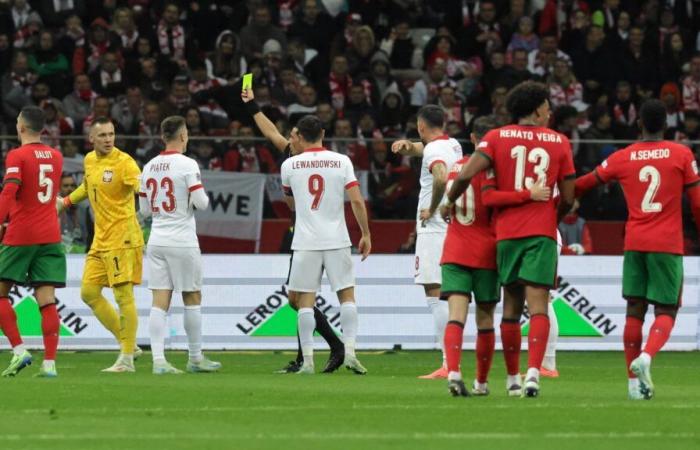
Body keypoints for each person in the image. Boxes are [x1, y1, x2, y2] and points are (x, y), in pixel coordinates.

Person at [444, 81, 576, 397]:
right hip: (540, 232)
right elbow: (569, 196)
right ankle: (532, 374)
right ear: (536, 109)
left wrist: (449, 202)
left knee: (511, 309)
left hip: (506, 236)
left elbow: (464, 175)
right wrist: (551, 215)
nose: (550, 111)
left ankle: (509, 378)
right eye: (547, 105)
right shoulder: (558, 141)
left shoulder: (496, 137)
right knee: (539, 305)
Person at [574, 99, 700, 400]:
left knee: (635, 310)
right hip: (667, 244)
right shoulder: (682, 153)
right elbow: (696, 202)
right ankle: (646, 357)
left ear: (639, 124)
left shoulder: (623, 156)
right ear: (667, 124)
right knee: (666, 309)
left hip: (634, 242)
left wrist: (556, 192)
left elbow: (584, 184)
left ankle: (633, 385)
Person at [242, 88, 345, 374]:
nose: (289, 140)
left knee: (301, 298)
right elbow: (271, 131)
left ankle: (322, 353)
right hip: (302, 233)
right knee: (296, 299)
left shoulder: (320, 161)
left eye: (294, 135)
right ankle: (325, 350)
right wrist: (252, 106)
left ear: (304, 137)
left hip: (316, 236)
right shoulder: (293, 155)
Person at [280, 115, 371, 375]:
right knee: (347, 296)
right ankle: (351, 353)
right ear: (322, 132)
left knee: (304, 302)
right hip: (337, 239)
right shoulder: (342, 161)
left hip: (306, 241)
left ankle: (307, 361)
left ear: (300, 136)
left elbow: (291, 204)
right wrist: (365, 233)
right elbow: (355, 201)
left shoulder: (290, 165)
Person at [57, 118, 144, 373]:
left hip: (123, 238)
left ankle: (126, 358)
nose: (108, 139)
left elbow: (143, 188)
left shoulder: (125, 162)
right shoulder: (89, 160)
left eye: (112, 134)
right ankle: (130, 345)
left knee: (123, 296)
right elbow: (87, 185)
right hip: (101, 239)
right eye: (103, 135)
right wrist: (65, 202)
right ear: (91, 139)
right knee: (89, 292)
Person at [139, 116, 221, 375]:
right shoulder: (187, 164)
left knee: (159, 301)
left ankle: (159, 361)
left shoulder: (149, 166)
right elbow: (202, 203)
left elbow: (144, 210)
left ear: (163, 136)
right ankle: (195, 358)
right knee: (192, 297)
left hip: (157, 240)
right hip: (182, 240)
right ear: (183, 136)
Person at [391, 106, 462, 379]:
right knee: (446, 291)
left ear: (421, 126)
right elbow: (427, 151)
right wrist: (409, 147)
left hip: (434, 228)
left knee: (435, 292)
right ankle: (450, 360)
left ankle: (448, 363)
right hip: (450, 226)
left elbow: (441, 177)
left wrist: (431, 209)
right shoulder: (451, 144)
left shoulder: (435, 151)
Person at [0, 106, 64, 378]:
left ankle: (19, 350)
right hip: (50, 234)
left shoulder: (17, 155)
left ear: (22, 127)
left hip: (22, 233)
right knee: (47, 300)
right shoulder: (57, 156)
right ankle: (49, 363)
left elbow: (10, 190)